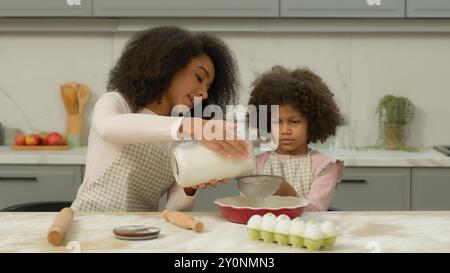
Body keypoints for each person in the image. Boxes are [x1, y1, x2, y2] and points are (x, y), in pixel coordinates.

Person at [71, 26, 249, 212]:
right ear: (168, 66)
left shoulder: (182, 138)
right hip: (88, 224)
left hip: (140, 235)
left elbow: (173, 212)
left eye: (208, 87)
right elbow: (108, 128)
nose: (204, 94)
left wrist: (190, 185)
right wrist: (191, 125)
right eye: (199, 77)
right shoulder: (117, 103)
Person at [248, 66, 345, 211]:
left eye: (294, 122)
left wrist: (289, 194)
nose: (285, 130)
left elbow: (316, 212)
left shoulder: (323, 166)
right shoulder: (256, 165)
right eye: (277, 122)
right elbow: (249, 209)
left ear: (311, 123)